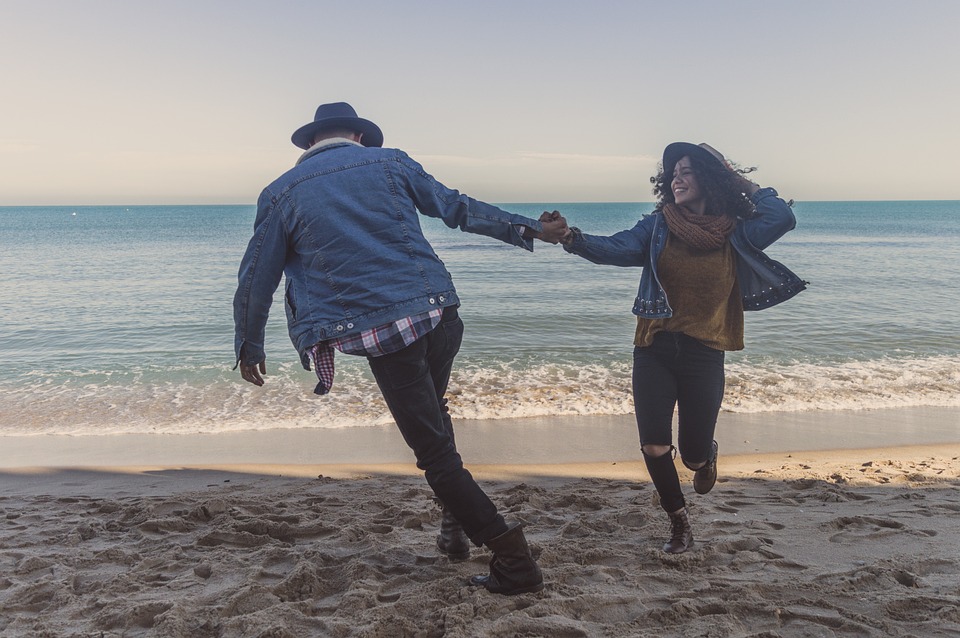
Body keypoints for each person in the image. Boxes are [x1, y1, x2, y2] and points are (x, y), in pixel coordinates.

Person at [233, 102, 567, 594]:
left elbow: (258, 275)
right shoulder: (390, 161)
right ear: (359, 136)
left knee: (433, 454)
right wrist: (529, 228)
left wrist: (249, 341)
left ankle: (513, 557)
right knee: (437, 416)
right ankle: (453, 530)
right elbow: (459, 208)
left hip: (386, 334)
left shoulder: (281, 191)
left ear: (309, 144)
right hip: (440, 314)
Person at [556, 142, 806, 553]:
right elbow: (615, 248)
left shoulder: (737, 232)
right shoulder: (657, 227)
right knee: (654, 444)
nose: (676, 177)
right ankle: (679, 521)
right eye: (672, 171)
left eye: (686, 171)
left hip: (705, 353)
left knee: (690, 455)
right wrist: (571, 237)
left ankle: (705, 457)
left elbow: (782, 216)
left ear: (710, 179)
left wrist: (736, 176)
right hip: (654, 347)